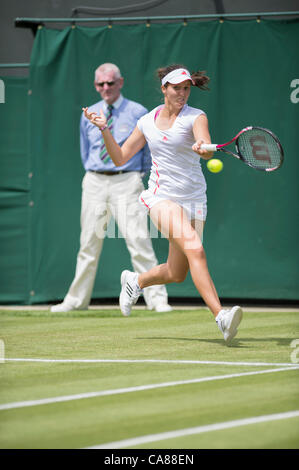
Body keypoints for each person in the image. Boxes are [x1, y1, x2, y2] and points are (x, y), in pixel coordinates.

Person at [83, 64, 243, 344]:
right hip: (161, 197)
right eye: (176, 88)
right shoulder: (146, 121)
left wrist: (202, 148)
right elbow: (120, 158)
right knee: (196, 249)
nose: (182, 93)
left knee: (176, 272)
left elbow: (204, 144)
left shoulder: (196, 117)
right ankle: (221, 317)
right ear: (164, 89)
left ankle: (136, 282)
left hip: (194, 198)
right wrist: (104, 128)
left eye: (186, 88)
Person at [51, 63, 172, 313]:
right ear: (96, 86)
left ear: (121, 82)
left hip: (127, 181)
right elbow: (86, 150)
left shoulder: (138, 111)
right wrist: (93, 171)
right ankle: (76, 300)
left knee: (139, 240)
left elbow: (148, 151)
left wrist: (137, 175)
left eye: (110, 83)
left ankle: (157, 299)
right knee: (88, 244)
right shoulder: (90, 113)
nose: (105, 88)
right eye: (100, 84)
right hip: (95, 180)